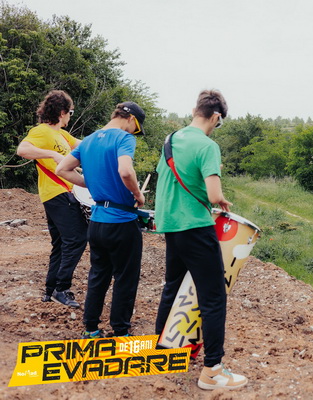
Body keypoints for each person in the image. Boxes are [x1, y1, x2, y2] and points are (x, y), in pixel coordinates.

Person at [154, 90, 248, 391]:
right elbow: (213, 193)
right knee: (213, 297)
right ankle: (212, 371)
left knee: (172, 287)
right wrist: (221, 201)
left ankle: (164, 351)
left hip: (171, 225)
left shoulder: (171, 139)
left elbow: (166, 180)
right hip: (196, 226)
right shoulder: (208, 146)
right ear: (216, 117)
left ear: (196, 111)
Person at [56, 102, 146, 339]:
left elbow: (62, 169)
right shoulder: (124, 138)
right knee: (125, 278)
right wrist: (138, 195)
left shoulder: (88, 141)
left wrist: (92, 183)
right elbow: (125, 171)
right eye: (136, 128)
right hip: (122, 221)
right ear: (131, 120)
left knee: (98, 276)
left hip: (96, 221)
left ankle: (91, 329)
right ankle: (121, 331)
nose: (133, 133)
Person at [16, 90, 87, 308]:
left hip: (61, 193)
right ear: (62, 112)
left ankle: (51, 290)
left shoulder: (63, 135)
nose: (70, 117)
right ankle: (62, 289)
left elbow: (85, 145)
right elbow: (22, 149)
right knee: (77, 239)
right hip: (57, 193)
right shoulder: (42, 131)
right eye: (70, 112)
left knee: (61, 243)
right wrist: (53, 154)